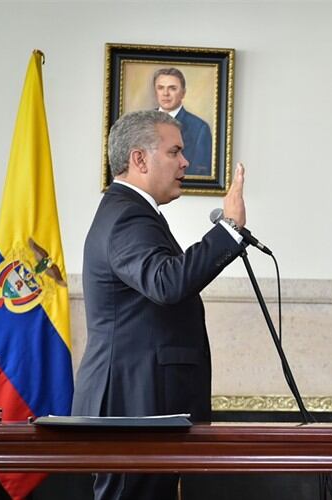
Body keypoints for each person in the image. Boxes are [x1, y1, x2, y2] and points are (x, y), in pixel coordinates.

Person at [72, 110, 248, 500]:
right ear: (139, 159)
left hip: (142, 401)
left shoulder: (131, 212)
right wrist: (228, 231)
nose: (186, 162)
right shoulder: (126, 216)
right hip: (133, 403)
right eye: (175, 152)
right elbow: (166, 282)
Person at [153, 67, 213, 176]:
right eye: (161, 88)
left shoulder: (200, 128)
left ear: (183, 93)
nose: (165, 93)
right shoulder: (141, 122)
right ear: (155, 91)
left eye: (172, 88)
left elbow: (200, 173)